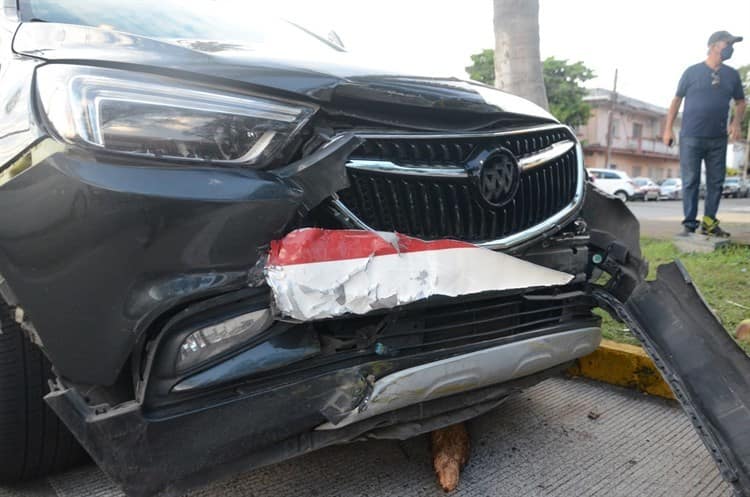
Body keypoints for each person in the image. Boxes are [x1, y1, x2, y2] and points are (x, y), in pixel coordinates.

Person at [662, 31, 746, 237]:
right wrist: (667, 128)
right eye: (727, 43)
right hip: (690, 136)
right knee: (690, 181)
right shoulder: (692, 72)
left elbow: (741, 102)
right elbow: (676, 100)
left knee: (716, 182)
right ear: (712, 46)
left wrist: (736, 123)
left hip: (718, 138)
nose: (730, 48)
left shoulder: (732, 75)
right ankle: (689, 224)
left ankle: (709, 223)